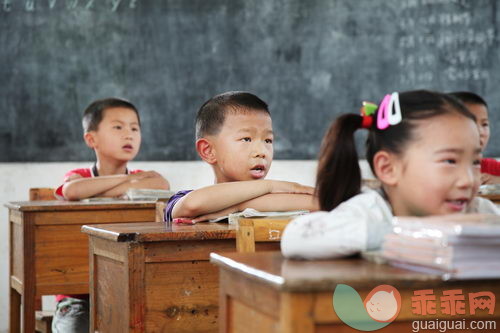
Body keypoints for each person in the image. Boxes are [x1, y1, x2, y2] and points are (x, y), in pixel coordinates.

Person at [281, 90, 499, 260]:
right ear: (388, 169)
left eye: (475, 162)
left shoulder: (478, 209)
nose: (469, 180)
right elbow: (296, 238)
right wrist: (419, 230)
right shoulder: (372, 211)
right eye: (450, 161)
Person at [52, 98, 169, 333]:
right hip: (78, 297)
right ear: (91, 138)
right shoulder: (79, 175)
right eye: (118, 127)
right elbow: (73, 190)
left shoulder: (147, 177)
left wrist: (119, 183)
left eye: (134, 128)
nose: (129, 134)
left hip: (129, 292)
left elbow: (163, 184)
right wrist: (130, 181)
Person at [165, 91, 318, 223]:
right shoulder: (181, 198)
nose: (262, 151)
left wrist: (236, 207)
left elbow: (320, 203)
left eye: (268, 140)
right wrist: (272, 186)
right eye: (246, 139)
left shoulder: (275, 197)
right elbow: (193, 205)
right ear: (208, 150)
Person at [449, 91, 500, 184]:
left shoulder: (492, 168)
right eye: (471, 123)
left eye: (484, 124)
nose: (480, 132)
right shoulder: (437, 170)